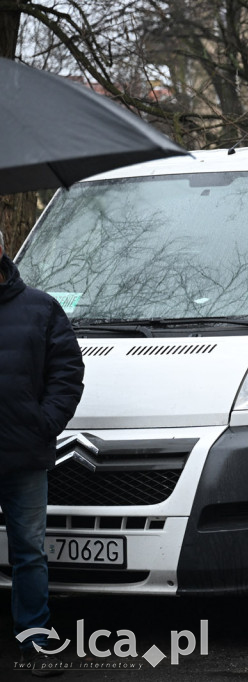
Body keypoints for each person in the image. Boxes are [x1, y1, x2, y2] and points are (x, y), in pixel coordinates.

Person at [0, 229, 85, 677]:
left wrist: (44, 424)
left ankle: (33, 637)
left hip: (23, 456)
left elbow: (67, 373)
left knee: (29, 551)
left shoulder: (40, 307)